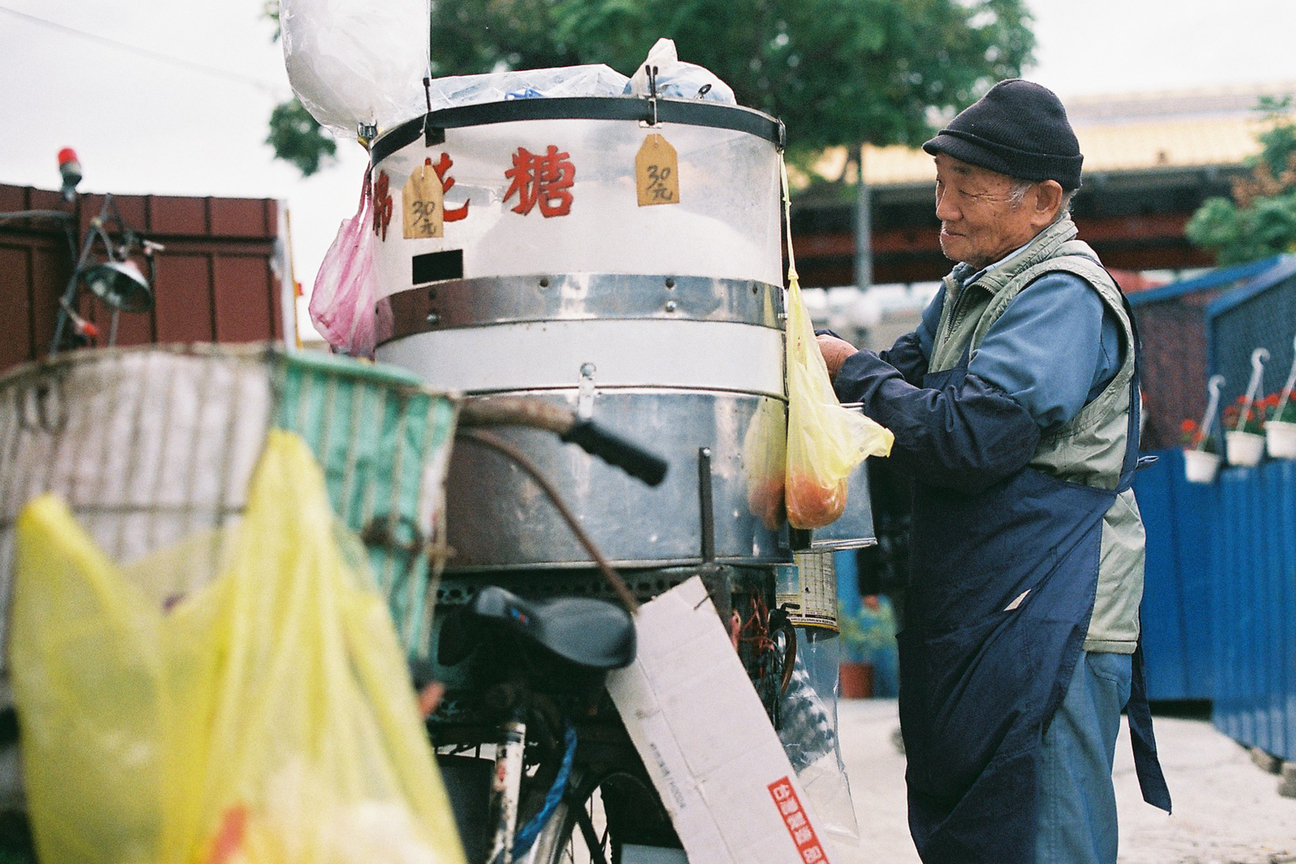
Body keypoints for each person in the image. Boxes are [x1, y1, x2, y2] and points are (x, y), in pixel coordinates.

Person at [816, 79, 1171, 864]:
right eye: (940, 188)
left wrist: (846, 366)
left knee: (1045, 836)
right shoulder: (967, 293)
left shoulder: (1060, 295)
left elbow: (969, 437)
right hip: (991, 610)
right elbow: (893, 386)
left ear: (1042, 202)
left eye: (964, 193)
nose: (942, 210)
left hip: (1055, 614)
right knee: (980, 835)